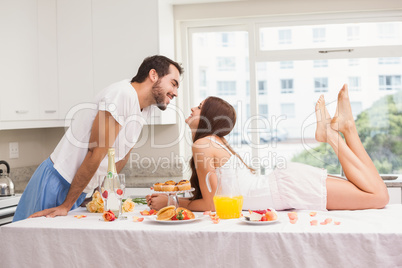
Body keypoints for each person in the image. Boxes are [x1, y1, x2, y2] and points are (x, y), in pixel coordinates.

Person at [147, 84, 389, 212]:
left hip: (285, 188)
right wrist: (175, 198)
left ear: (209, 116)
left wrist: (172, 203)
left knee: (379, 196)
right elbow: (213, 198)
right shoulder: (214, 143)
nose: (191, 109)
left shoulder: (203, 144)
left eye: (199, 107)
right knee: (376, 193)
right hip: (285, 185)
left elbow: (210, 206)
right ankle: (347, 129)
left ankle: (336, 134)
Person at [13, 55, 183, 222]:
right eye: (173, 84)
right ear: (153, 75)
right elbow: (96, 152)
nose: (175, 93)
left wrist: (99, 194)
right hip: (57, 181)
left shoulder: (145, 109)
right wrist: (66, 205)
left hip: (78, 189)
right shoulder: (122, 94)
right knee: (29, 245)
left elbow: (120, 156)